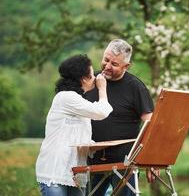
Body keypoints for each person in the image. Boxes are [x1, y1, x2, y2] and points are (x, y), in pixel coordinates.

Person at [36, 54, 113, 196]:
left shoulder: (77, 101)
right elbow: (101, 112)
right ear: (84, 78)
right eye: (92, 75)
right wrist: (102, 89)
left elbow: (74, 135)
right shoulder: (65, 97)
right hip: (56, 172)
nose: (95, 78)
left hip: (76, 174)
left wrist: (92, 146)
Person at [86, 39, 155, 196]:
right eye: (106, 60)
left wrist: (152, 159)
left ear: (126, 66)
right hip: (91, 160)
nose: (108, 66)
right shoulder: (90, 80)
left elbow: (150, 124)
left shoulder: (136, 87)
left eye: (114, 64)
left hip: (124, 162)